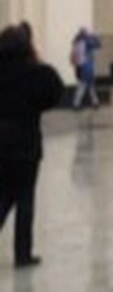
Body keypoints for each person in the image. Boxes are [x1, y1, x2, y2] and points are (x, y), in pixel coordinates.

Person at [0, 23, 64, 268]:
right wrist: (37, 61)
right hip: (26, 145)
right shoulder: (34, 72)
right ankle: (23, 253)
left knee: (4, 195)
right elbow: (55, 91)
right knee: (25, 199)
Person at [70, 26, 102, 110]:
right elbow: (98, 45)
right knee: (85, 85)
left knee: (87, 85)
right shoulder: (86, 42)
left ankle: (95, 102)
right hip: (87, 66)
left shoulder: (77, 42)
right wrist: (95, 36)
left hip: (80, 66)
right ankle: (76, 104)